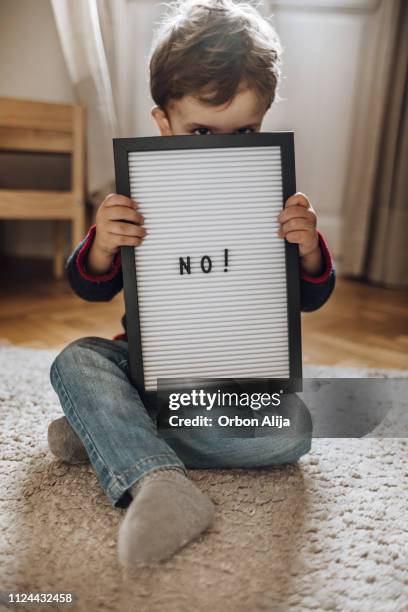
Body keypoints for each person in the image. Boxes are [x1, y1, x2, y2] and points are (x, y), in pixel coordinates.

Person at [48, 0, 336, 567]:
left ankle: (112, 436)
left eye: (245, 131)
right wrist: (104, 243)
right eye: (201, 130)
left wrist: (305, 249)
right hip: (144, 373)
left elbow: (310, 297)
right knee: (76, 359)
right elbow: (89, 289)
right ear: (164, 122)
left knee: (295, 430)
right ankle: (159, 480)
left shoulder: (273, 201)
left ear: (264, 121)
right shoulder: (137, 198)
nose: (222, 147)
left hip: (227, 393)